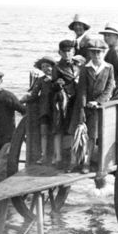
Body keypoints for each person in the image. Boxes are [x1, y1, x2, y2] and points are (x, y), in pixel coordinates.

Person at [72, 38, 114, 173]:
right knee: (81, 133)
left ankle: (88, 162)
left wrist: (98, 101)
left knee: (93, 135)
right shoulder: (85, 68)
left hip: (99, 108)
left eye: (99, 53)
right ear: (89, 54)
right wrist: (83, 107)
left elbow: (109, 88)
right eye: (93, 53)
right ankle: (78, 161)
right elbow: (82, 89)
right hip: (85, 106)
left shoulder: (109, 68)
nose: (96, 55)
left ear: (103, 53)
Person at [24, 55, 58, 164]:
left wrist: (53, 80)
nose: (46, 69)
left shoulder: (58, 79)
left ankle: (54, 156)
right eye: (43, 67)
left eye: (48, 66)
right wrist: (25, 98)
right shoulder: (40, 80)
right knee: (43, 132)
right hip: (44, 109)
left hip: (56, 109)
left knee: (55, 132)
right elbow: (34, 93)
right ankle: (44, 155)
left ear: (53, 67)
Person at [51, 40, 80, 169]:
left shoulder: (78, 65)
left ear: (73, 52)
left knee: (74, 129)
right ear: (60, 53)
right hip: (62, 102)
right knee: (59, 129)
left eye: (70, 51)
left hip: (76, 101)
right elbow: (53, 85)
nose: (68, 54)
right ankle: (58, 158)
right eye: (65, 52)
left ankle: (73, 159)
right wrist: (57, 84)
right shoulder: (57, 67)